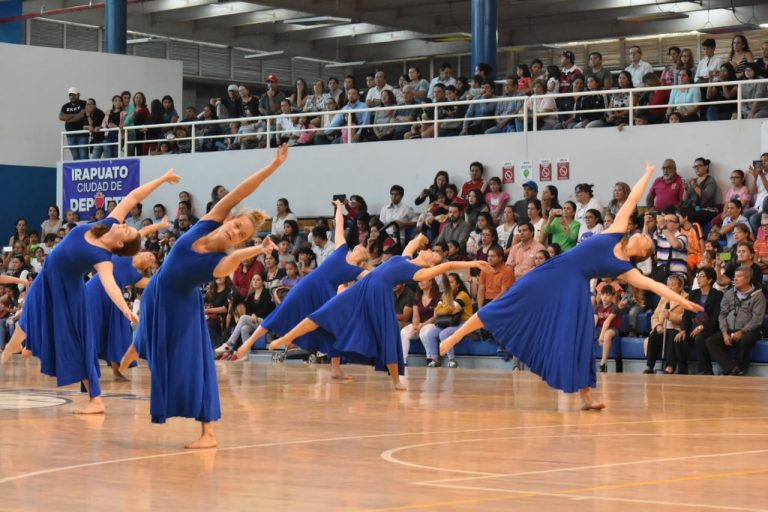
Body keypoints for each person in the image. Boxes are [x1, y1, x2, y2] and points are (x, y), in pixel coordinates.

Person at [440, 163, 703, 410]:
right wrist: (647, 174)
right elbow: (632, 200)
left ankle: (585, 396)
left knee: (578, 338)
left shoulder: (626, 269)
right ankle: (457, 335)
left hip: (574, 289)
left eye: (647, 242)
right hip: (554, 270)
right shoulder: (616, 230)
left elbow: (655, 286)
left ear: (641, 253)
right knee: (507, 302)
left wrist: (683, 300)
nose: (644, 236)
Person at [124, 145, 289, 449]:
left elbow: (232, 260)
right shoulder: (209, 221)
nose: (235, 232)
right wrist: (272, 167)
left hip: (180, 307)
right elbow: (240, 192)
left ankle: (208, 433)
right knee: (147, 342)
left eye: (241, 235)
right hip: (157, 292)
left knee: (195, 365)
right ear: (229, 219)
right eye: (236, 226)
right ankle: (125, 361)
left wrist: (256, 249)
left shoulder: (221, 260)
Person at [1, 171, 178, 417]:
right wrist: (162, 179)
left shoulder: (103, 256)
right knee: (28, 317)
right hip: (46, 277)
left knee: (77, 341)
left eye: (126, 231)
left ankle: (96, 399)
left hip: (67, 291)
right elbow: (133, 196)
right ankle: (9, 352)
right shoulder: (108, 223)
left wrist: (125, 309)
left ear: (120, 244)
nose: (124, 225)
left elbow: (110, 285)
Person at [268, 234, 492, 390]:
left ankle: (396, 380)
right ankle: (287, 337)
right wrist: (421, 238)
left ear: (430, 265)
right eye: (431, 250)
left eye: (433, 254)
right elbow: (412, 244)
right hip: (363, 287)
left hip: (379, 295)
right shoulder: (405, 258)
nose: (430, 251)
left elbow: (448, 266)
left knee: (388, 336)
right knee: (325, 312)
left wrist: (475, 264)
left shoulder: (419, 273)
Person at [233, 200, 369, 377]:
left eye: (360, 249)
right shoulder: (342, 249)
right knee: (282, 311)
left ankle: (336, 369)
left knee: (333, 329)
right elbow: (340, 225)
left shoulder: (357, 270)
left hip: (325, 295)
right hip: (308, 285)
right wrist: (339, 207)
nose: (358, 246)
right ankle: (248, 343)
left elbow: (377, 276)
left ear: (361, 259)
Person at [85, 220, 166, 382]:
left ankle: (117, 372)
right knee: (91, 329)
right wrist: (160, 225)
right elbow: (141, 232)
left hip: (114, 301)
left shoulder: (136, 277)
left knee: (118, 333)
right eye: (149, 255)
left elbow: (158, 282)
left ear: (147, 267)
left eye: (152, 261)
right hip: (94, 293)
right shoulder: (125, 253)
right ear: (142, 252)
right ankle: (86, 370)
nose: (150, 258)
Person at [705, 266, 766, 375]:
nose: (735, 279)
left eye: (739, 276)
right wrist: (724, 332)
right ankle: (732, 368)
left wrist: (742, 331)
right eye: (734, 276)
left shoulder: (758, 296)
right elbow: (722, 314)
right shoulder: (729, 293)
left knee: (745, 340)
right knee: (711, 341)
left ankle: (739, 366)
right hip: (729, 329)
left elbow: (757, 318)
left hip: (749, 330)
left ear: (748, 279)